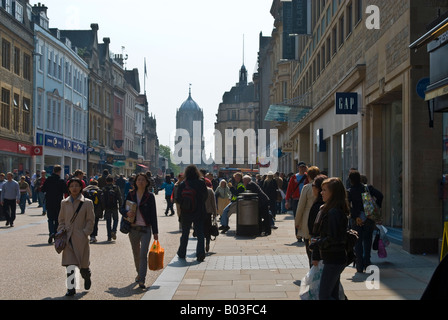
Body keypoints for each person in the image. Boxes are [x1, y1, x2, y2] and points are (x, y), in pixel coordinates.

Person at [311, 177, 349, 300]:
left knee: (324, 296)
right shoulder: (331, 209)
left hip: (334, 258)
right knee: (333, 294)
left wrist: (317, 243)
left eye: (324, 190)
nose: (321, 192)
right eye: (321, 189)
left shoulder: (334, 212)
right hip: (333, 258)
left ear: (333, 193)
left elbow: (334, 238)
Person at [120, 173, 159, 288]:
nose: (140, 182)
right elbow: (121, 208)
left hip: (146, 229)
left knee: (143, 254)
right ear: (135, 182)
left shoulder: (150, 196)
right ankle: (139, 273)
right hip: (133, 229)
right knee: (136, 254)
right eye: (138, 180)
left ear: (147, 182)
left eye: (143, 180)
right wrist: (126, 212)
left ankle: (142, 279)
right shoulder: (131, 195)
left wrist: (156, 232)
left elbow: (153, 215)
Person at [58, 178, 95, 297]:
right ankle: (71, 288)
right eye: (72, 186)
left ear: (81, 187)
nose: (74, 188)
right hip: (68, 237)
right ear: (68, 188)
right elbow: (61, 219)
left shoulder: (87, 202)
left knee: (83, 265)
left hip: (81, 238)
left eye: (76, 186)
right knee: (70, 264)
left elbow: (90, 220)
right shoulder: (64, 202)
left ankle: (87, 276)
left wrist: (85, 233)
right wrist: (61, 230)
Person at [347, 170, 383, 273]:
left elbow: (347, 205)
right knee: (367, 241)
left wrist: (354, 216)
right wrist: (376, 207)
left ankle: (359, 265)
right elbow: (380, 195)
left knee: (357, 242)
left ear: (351, 180)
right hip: (369, 218)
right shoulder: (367, 188)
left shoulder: (350, 191)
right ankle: (367, 263)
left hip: (356, 219)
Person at [175, 164, 208, 262]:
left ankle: (182, 252)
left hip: (186, 212)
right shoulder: (201, 183)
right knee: (200, 233)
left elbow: (178, 199)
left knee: (185, 233)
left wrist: (185, 204)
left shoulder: (183, 184)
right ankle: (200, 254)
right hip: (199, 211)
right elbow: (205, 196)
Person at [295, 166, 320, 254]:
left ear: (308, 176)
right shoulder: (324, 187)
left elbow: (300, 206)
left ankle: (311, 264)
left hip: (307, 218)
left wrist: (297, 222)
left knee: (309, 246)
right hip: (320, 218)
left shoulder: (307, 187)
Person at [41, 165, 68, 244]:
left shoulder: (48, 180)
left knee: (50, 219)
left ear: (53, 171)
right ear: (59, 172)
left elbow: (43, 189)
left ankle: (51, 232)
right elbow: (65, 191)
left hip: (49, 202)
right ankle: (56, 233)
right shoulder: (61, 181)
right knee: (57, 219)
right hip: (58, 202)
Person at [306, 174, 327, 266]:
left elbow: (316, 232)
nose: (312, 188)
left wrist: (315, 255)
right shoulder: (329, 205)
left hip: (320, 248)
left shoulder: (319, 207)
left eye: (313, 185)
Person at [285, 162, 309, 239]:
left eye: (303, 167)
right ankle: (298, 235)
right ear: (298, 168)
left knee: (305, 217)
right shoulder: (294, 177)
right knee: (297, 217)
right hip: (296, 200)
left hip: (306, 199)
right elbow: (289, 189)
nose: (302, 169)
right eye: (300, 167)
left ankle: (305, 233)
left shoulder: (308, 177)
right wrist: (287, 201)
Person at [101, 175, 123, 242]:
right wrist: (120, 206)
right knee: (116, 219)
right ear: (113, 181)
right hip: (114, 206)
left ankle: (109, 236)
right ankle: (114, 231)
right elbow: (120, 197)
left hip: (107, 207)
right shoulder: (116, 188)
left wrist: (103, 207)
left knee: (108, 221)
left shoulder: (104, 188)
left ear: (106, 181)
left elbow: (102, 198)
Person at [82, 179, 103, 243]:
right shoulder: (99, 190)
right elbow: (102, 201)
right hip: (96, 209)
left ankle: (85, 235)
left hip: (86, 209)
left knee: (86, 222)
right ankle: (93, 236)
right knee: (95, 223)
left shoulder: (85, 190)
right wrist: (102, 209)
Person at [204, 179, 217, 253]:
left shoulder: (197, 191)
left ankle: (201, 245)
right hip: (208, 213)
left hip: (199, 214)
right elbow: (213, 203)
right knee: (208, 229)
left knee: (201, 230)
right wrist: (215, 213)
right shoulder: (210, 191)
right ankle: (207, 243)